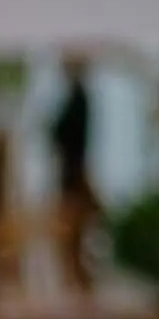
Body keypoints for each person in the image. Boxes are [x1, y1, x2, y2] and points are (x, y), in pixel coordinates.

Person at [49, 55, 97, 284]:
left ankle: (79, 280)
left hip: (73, 172)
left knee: (73, 231)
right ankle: (76, 279)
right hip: (70, 171)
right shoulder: (75, 97)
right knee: (71, 234)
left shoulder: (79, 98)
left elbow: (64, 134)